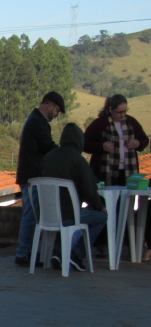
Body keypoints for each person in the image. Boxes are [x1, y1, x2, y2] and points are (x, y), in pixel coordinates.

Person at [39, 123, 107, 271]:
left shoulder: (48, 156)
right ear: (79, 140)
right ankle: (76, 254)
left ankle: (58, 253)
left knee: (65, 216)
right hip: (69, 216)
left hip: (47, 215)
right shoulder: (78, 160)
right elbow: (90, 192)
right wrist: (101, 207)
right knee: (100, 217)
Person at [14, 91, 64, 267]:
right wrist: (63, 154)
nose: (56, 115)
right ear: (49, 106)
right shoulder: (39, 123)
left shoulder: (34, 120)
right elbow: (47, 146)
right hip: (32, 176)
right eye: (57, 110)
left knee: (32, 214)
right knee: (32, 215)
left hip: (28, 175)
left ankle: (28, 252)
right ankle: (25, 253)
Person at [83, 94, 149, 187]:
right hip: (105, 172)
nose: (122, 115)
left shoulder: (131, 122)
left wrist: (137, 143)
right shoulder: (100, 123)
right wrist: (102, 147)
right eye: (119, 112)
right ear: (110, 110)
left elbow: (145, 140)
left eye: (124, 111)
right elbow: (84, 143)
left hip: (129, 171)